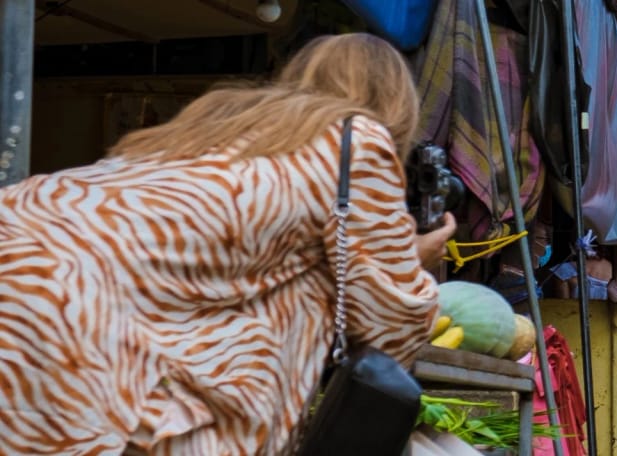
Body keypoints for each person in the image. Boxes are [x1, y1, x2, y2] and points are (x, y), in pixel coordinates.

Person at [0, 33, 455, 454]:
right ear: (397, 104)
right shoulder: (355, 140)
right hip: (63, 305)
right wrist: (416, 259)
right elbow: (392, 329)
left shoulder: (218, 118)